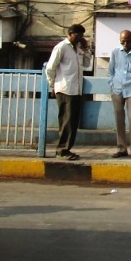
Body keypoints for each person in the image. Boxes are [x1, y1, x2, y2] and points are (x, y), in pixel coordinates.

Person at [45, 23, 93, 160]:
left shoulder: (78, 48)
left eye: (82, 35)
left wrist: (86, 49)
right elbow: (50, 67)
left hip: (76, 89)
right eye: (78, 35)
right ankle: (61, 150)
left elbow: (86, 64)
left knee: (73, 122)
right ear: (71, 34)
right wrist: (52, 85)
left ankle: (66, 149)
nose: (80, 38)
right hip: (65, 88)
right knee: (66, 121)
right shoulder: (61, 47)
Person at [107, 29, 131, 158]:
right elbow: (111, 71)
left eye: (127, 41)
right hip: (117, 88)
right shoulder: (115, 52)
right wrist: (112, 83)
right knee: (119, 119)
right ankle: (121, 148)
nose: (125, 43)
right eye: (122, 41)